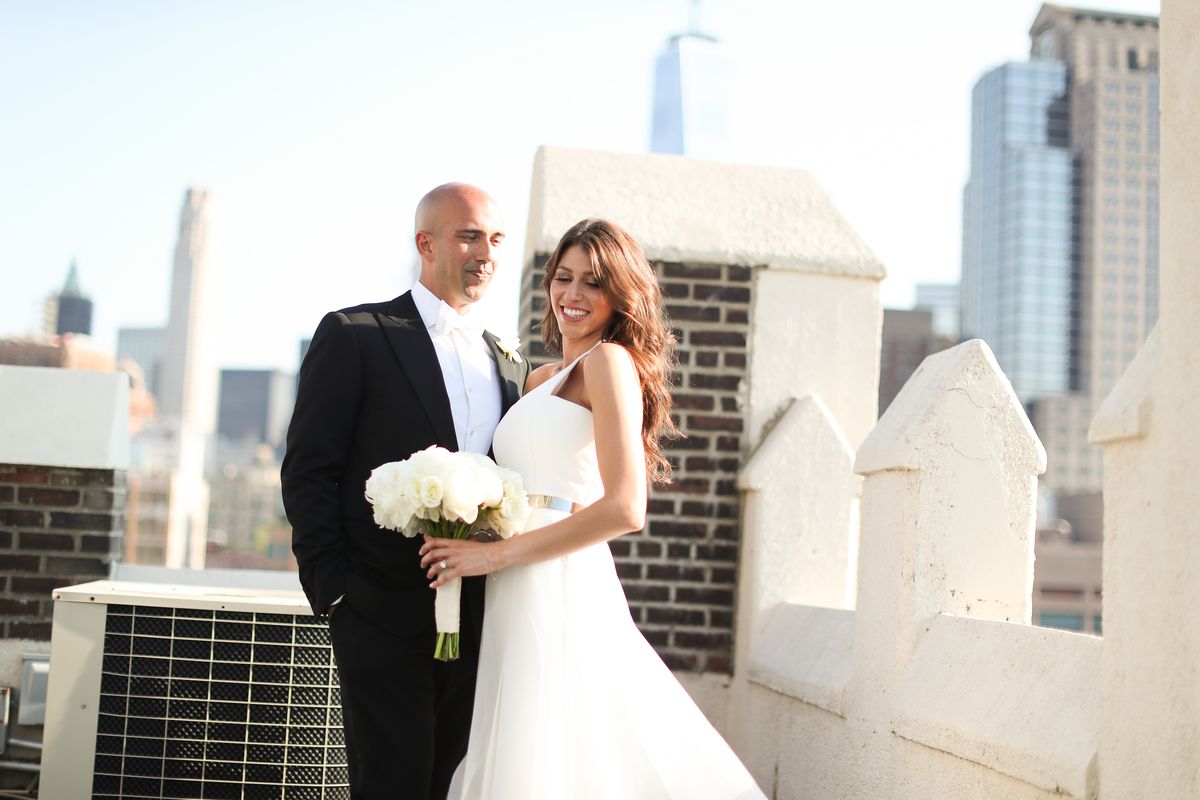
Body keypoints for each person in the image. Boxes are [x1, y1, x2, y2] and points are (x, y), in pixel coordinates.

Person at [419, 218, 767, 799]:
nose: (573, 294)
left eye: (593, 282)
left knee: (561, 742)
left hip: (556, 577)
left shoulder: (608, 363)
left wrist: (495, 557)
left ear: (619, 295)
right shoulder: (538, 377)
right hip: (510, 581)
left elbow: (626, 507)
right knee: (524, 744)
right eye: (564, 277)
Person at [281, 183, 530, 800]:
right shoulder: (355, 333)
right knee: (390, 785)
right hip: (378, 610)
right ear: (426, 243)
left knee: (453, 784)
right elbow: (309, 469)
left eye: (496, 239)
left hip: (481, 617)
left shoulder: (509, 361)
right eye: (469, 236)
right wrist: (337, 592)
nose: (486, 253)